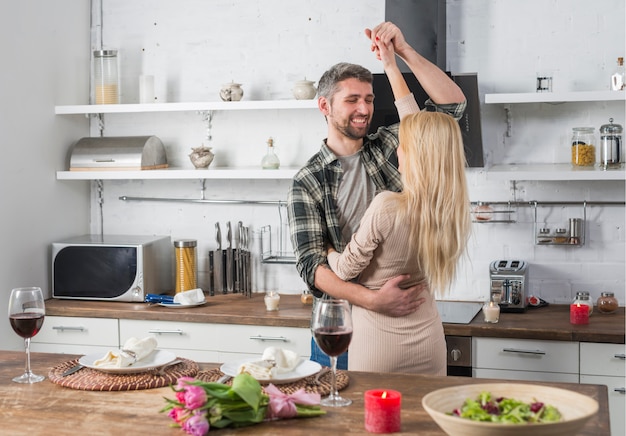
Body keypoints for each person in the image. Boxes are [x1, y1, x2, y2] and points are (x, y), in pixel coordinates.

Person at [287, 22, 466, 368]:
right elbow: (313, 267)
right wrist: (373, 301)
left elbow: (452, 110)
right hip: (337, 326)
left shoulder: (390, 145)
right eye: (352, 99)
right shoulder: (308, 179)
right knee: (339, 419)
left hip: (403, 325)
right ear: (324, 105)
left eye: (368, 99)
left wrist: (403, 53)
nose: (364, 109)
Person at [327, 111, 471, 375]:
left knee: (377, 416)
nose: (398, 152)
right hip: (429, 342)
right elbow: (412, 116)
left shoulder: (387, 206)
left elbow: (345, 269)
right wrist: (393, 67)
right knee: (425, 415)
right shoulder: (451, 210)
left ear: (418, 155)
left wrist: (328, 249)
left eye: (403, 145)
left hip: (379, 345)